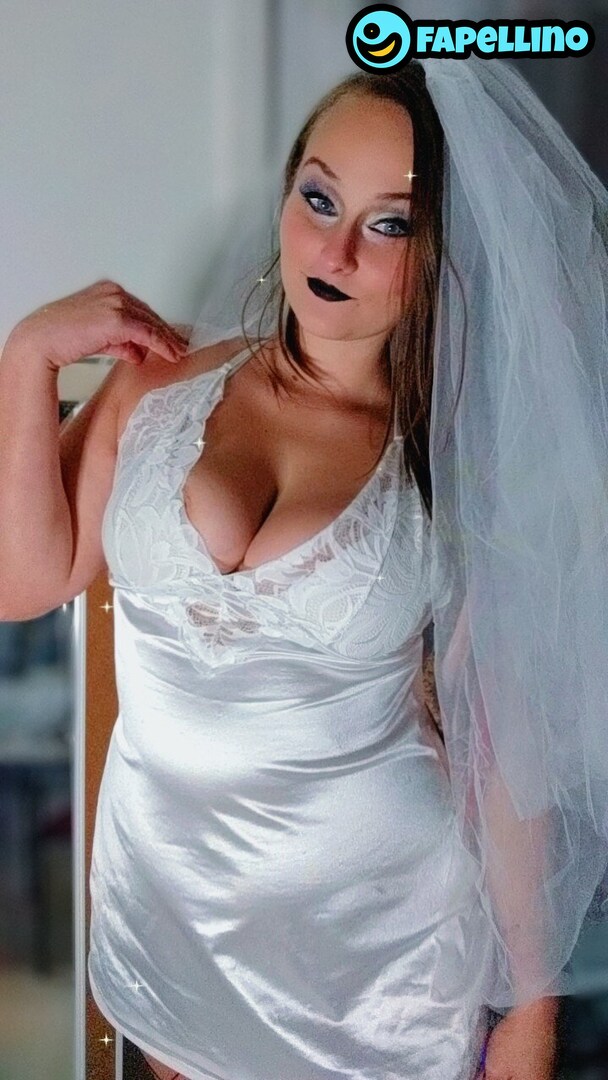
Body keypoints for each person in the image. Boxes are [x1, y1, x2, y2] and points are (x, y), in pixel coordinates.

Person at [1, 56, 606, 1080]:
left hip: (379, 957)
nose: (333, 250)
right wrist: (27, 357)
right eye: (319, 198)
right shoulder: (158, 382)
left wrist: (531, 1013)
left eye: (388, 224)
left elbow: (503, 758)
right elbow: (22, 582)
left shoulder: (456, 462)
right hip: (171, 917)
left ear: (442, 253)